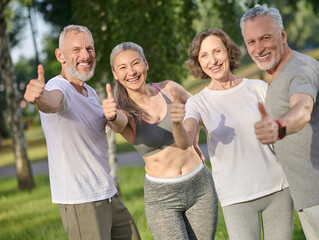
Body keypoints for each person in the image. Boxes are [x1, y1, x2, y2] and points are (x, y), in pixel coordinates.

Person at [179, 28, 319, 239]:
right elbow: (188, 131)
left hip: (278, 188)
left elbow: (295, 118)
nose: (213, 60)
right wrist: (181, 130)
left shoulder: (258, 88)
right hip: (235, 197)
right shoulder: (198, 102)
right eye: (204, 55)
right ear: (198, 62)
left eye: (217, 51)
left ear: (229, 52)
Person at [241, 5, 319, 239]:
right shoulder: (276, 74)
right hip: (308, 194)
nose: (258, 48)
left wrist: (279, 127)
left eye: (265, 38)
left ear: (283, 35)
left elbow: (302, 108)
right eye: (251, 42)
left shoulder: (300, 69)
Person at [23, 25, 141, 240]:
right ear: (60, 55)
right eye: (76, 50)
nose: (85, 55)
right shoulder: (59, 87)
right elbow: (52, 102)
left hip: (108, 193)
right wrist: (39, 98)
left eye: (90, 48)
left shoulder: (90, 93)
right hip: (81, 201)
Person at [102, 41, 218, 240]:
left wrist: (194, 139)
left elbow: (200, 113)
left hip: (200, 185)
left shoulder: (169, 89)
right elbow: (118, 123)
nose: (131, 71)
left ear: (146, 64)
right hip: (163, 197)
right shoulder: (124, 112)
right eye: (123, 67)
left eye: (135, 63)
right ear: (115, 74)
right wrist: (110, 115)